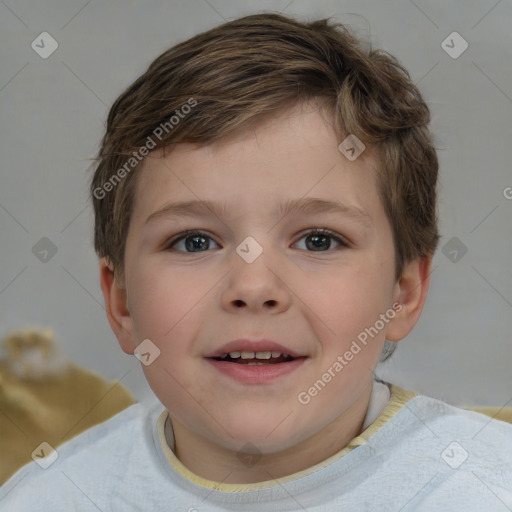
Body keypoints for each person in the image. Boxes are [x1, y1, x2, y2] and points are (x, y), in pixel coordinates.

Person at [2, 12, 511, 511]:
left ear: (403, 291)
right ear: (122, 303)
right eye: (194, 242)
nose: (253, 285)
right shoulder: (49, 498)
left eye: (317, 241)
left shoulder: (486, 488)